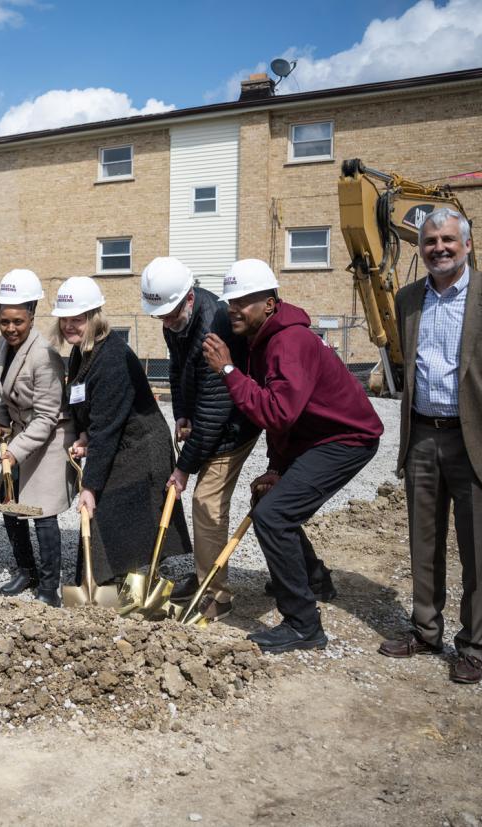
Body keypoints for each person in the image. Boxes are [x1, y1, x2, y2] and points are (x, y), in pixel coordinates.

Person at [377, 208, 482, 684]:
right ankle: (426, 630)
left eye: (448, 240)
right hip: (424, 436)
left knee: (478, 548)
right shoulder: (409, 299)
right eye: (430, 242)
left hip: (476, 439)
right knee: (423, 541)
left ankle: (474, 644)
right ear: (421, 248)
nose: (439, 248)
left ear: (467, 244)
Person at [202, 259, 382, 654]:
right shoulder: (262, 340)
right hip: (317, 439)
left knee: (273, 516)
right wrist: (276, 469)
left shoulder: (289, 342)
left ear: (269, 303)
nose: (234, 308)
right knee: (268, 500)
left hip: (347, 439)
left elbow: (276, 413)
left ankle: (303, 624)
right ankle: (314, 580)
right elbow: (283, 420)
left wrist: (229, 371)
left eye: (245, 300)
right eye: (231, 300)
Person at [141, 257, 259, 622]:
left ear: (189, 297)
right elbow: (177, 369)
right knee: (204, 504)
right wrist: (180, 413)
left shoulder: (215, 327)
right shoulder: (174, 321)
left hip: (235, 424)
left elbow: (214, 410)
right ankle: (205, 574)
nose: (167, 320)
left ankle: (218, 595)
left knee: (207, 504)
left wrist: (183, 468)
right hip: (209, 418)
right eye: (160, 315)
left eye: (172, 312)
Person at [55, 276, 191, 585]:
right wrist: (84, 435)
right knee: (111, 512)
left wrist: (88, 485)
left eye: (76, 319)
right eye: (64, 320)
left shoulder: (112, 358)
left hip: (141, 444)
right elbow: (89, 408)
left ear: (93, 317)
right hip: (118, 437)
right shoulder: (82, 351)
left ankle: (115, 581)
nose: (68, 326)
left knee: (110, 507)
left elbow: (107, 428)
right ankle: (110, 579)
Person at [0, 269, 74, 607]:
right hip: (22, 434)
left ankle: (50, 586)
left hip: (49, 438)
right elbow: (8, 394)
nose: (10, 328)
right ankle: (27, 569)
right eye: (5, 320)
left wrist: (14, 452)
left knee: (41, 513)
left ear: (32, 315)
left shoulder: (45, 356)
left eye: (18, 322)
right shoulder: (3, 345)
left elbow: (47, 416)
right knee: (9, 506)